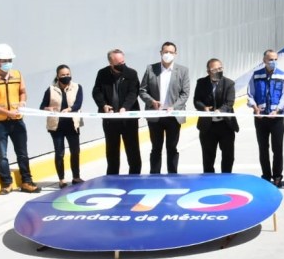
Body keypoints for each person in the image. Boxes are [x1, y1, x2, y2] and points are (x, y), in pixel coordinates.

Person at [0, 43, 41, 195]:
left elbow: (22, 92)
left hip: (17, 121)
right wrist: (7, 112)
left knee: (22, 153)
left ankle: (27, 182)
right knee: (2, 154)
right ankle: (7, 183)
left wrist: (22, 102)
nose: (7, 63)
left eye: (9, 60)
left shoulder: (17, 75)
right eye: (4, 60)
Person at [140, 41, 191, 174]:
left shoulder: (183, 71)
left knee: (172, 148)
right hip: (155, 115)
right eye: (165, 52)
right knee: (156, 148)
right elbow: (142, 90)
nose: (168, 54)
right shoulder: (151, 69)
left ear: (175, 54)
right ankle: (154, 175)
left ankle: (172, 175)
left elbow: (185, 93)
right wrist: (152, 102)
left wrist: (174, 107)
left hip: (173, 116)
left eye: (171, 52)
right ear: (161, 53)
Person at [92, 48, 142, 175]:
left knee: (133, 151)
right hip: (110, 120)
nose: (122, 65)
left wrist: (125, 107)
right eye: (118, 63)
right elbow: (97, 92)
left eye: (123, 62)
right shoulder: (102, 74)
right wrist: (103, 105)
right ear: (111, 63)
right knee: (112, 151)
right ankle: (113, 177)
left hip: (128, 120)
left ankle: (135, 177)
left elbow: (133, 92)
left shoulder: (131, 73)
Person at [247, 49, 284, 187]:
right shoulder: (256, 75)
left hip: (277, 118)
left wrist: (277, 110)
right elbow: (250, 94)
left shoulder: (282, 75)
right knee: (263, 148)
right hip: (261, 118)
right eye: (270, 59)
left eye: (275, 59)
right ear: (264, 60)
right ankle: (266, 175)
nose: (273, 62)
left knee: (278, 148)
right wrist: (255, 108)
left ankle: (277, 176)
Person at [39, 64, 84, 188]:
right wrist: (48, 108)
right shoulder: (50, 90)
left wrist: (69, 110)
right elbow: (42, 106)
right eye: (63, 75)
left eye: (68, 74)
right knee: (59, 153)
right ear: (58, 76)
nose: (66, 77)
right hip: (56, 126)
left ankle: (76, 177)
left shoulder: (77, 87)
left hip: (72, 124)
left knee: (75, 151)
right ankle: (62, 179)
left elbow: (78, 104)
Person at [194, 58, 239, 173]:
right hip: (208, 126)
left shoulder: (229, 83)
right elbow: (197, 100)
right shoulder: (201, 83)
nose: (218, 71)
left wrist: (220, 110)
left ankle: (226, 178)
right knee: (208, 157)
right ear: (208, 71)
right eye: (214, 70)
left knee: (228, 156)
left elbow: (229, 102)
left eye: (220, 68)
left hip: (225, 125)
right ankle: (209, 179)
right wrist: (203, 108)